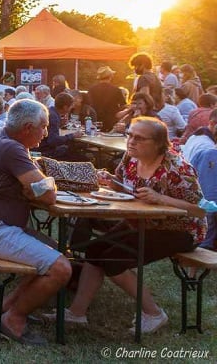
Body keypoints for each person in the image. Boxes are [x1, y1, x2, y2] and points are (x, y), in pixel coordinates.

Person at [61, 117, 205, 335]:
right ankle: (77, 312)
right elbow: (123, 187)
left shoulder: (177, 168)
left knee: (114, 261)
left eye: (139, 138)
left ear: (158, 143)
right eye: (130, 135)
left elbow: (200, 210)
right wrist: (110, 181)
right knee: (94, 250)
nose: (131, 141)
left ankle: (154, 313)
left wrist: (161, 198)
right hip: (140, 222)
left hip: (180, 230)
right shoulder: (130, 158)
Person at [0, 99, 72, 346]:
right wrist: (43, 184)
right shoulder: (11, 148)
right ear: (28, 127)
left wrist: (36, 185)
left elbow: (37, 188)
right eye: (44, 127)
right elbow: (48, 194)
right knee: (60, 267)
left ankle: (7, 308)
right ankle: (14, 320)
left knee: (55, 250)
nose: (46, 133)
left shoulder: (3, 139)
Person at [36, 92, 83, 159]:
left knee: (69, 148)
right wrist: (72, 135)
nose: (71, 108)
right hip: (44, 151)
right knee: (76, 154)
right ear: (65, 107)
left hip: (38, 147)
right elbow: (52, 140)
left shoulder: (50, 111)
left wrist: (60, 124)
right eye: (71, 106)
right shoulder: (54, 116)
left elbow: (49, 131)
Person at [87, 65, 125, 131]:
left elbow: (88, 105)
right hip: (111, 123)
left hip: (95, 122)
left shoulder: (91, 89)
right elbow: (123, 105)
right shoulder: (116, 90)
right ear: (111, 76)